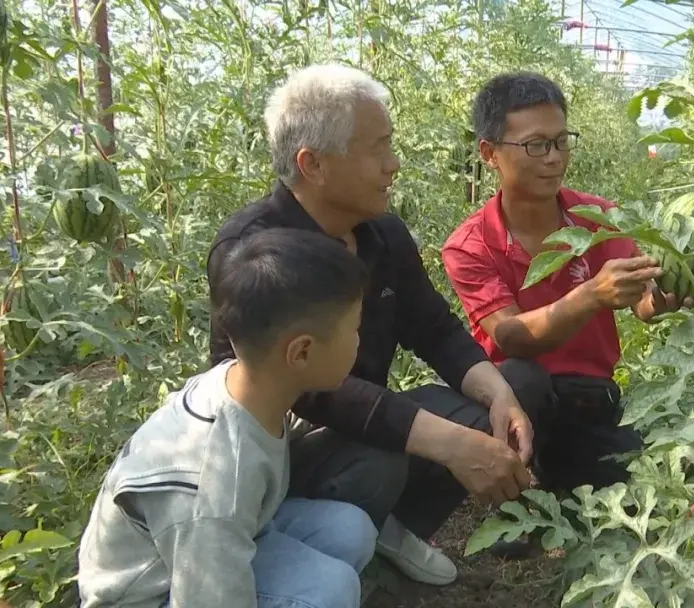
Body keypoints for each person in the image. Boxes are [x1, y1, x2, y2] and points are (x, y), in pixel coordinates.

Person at [205, 64, 551, 586]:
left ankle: (395, 530)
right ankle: (323, 556)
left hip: (366, 422)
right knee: (381, 459)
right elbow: (314, 394)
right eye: (377, 149)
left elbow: (432, 327)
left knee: (518, 386)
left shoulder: (381, 234)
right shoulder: (253, 254)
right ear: (313, 164)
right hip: (283, 453)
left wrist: (498, 393)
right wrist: (451, 443)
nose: (393, 165)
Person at [441, 72, 694, 557]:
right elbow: (511, 335)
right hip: (516, 402)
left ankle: (557, 487)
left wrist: (661, 300)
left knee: (629, 497)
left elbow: (642, 304)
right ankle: (513, 497)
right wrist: (591, 295)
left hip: (588, 400)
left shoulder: (599, 217)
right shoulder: (470, 245)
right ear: (489, 153)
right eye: (536, 145)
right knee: (521, 378)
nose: (555, 157)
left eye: (561, 141)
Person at [78, 227, 380, 607]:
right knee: (331, 590)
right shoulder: (217, 478)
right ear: (301, 352)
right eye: (354, 328)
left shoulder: (249, 389)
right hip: (156, 592)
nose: (359, 339)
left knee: (350, 531)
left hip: (213, 545)